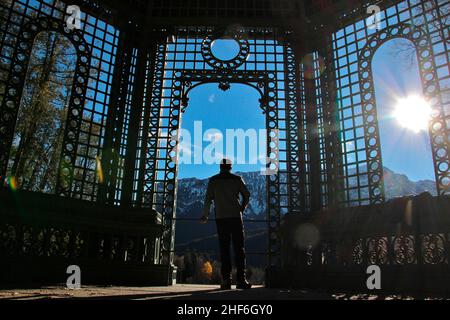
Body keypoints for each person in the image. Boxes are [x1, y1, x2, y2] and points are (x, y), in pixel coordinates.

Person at [200, 159, 252, 290]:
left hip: (221, 218)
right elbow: (247, 195)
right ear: (230, 167)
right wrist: (242, 208)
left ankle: (225, 281)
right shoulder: (237, 179)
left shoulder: (213, 180)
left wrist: (205, 215)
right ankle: (241, 280)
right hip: (235, 217)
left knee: (224, 250)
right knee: (239, 249)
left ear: (220, 167)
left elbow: (207, 200)